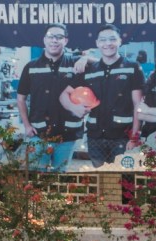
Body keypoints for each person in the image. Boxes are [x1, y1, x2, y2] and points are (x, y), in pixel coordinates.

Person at [61, 24, 144, 167]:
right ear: (97, 44)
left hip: (123, 138)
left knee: (126, 182)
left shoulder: (132, 68)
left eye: (112, 39)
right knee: (102, 180)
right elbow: (64, 93)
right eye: (103, 40)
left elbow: (138, 104)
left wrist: (134, 137)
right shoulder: (90, 70)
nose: (107, 43)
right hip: (95, 137)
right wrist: (74, 108)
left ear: (120, 41)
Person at [15, 23, 84, 172]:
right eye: (51, 36)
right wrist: (27, 125)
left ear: (65, 41)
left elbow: (102, 63)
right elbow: (20, 99)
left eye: (59, 37)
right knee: (38, 177)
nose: (54, 40)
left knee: (60, 176)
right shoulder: (31, 67)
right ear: (44, 40)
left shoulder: (75, 63)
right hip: (38, 134)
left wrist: (85, 59)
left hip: (67, 136)